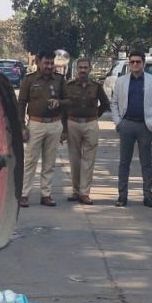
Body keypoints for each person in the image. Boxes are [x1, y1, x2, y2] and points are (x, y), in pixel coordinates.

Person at [110, 51, 152, 208]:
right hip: (126, 124)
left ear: (143, 63)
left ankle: (148, 196)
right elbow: (114, 103)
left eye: (138, 62)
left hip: (145, 126)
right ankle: (122, 196)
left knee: (146, 163)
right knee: (124, 162)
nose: (135, 64)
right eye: (132, 62)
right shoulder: (121, 81)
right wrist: (118, 122)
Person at [17, 50, 67, 207]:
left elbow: (69, 101)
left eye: (52, 63)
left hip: (54, 124)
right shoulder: (29, 79)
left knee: (49, 162)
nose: (49, 66)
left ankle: (46, 195)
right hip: (35, 125)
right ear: (38, 62)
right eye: (46, 63)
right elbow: (21, 103)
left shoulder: (60, 80)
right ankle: (24, 194)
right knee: (30, 161)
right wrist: (22, 126)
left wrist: (59, 103)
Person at [63, 58, 110, 205]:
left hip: (90, 124)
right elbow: (63, 107)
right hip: (72, 123)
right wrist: (63, 129)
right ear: (77, 69)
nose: (83, 70)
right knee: (74, 159)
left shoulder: (96, 86)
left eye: (85, 67)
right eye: (80, 67)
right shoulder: (68, 86)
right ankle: (76, 191)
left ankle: (85, 193)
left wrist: (95, 115)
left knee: (88, 160)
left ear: (90, 69)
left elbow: (105, 104)